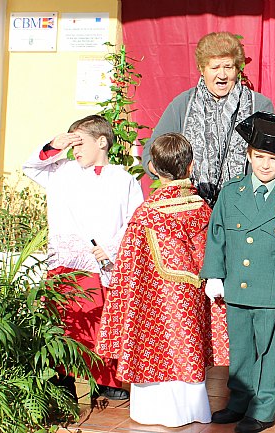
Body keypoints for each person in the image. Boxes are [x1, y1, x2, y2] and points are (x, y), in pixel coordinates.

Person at [96, 133, 228, 427]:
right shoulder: (202, 208)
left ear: (153, 167)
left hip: (152, 298)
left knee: (154, 345)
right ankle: (193, 409)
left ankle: (152, 411)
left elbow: (128, 267)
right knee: (187, 346)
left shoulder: (146, 214)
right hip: (192, 295)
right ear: (191, 166)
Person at [201, 112, 275, 433]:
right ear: (248, 155)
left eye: (274, 158)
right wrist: (214, 274)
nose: (265, 165)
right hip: (236, 286)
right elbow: (217, 234)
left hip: (270, 289)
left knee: (268, 351)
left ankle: (263, 408)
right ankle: (239, 402)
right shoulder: (231, 191)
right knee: (241, 349)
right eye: (259, 156)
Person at [22, 114, 144, 400]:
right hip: (67, 261)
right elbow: (30, 166)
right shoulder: (61, 171)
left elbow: (134, 220)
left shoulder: (124, 179)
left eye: (80, 142)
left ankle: (107, 381)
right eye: (72, 143)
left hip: (103, 262)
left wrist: (112, 248)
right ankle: (61, 379)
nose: (75, 150)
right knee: (65, 322)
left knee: (102, 322)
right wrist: (55, 145)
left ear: (102, 142)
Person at [141, 31, 274, 207]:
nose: (222, 75)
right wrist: (172, 174)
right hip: (192, 209)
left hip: (245, 210)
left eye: (228, 67)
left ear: (237, 69)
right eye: (215, 67)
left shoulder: (259, 105)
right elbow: (149, 157)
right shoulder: (183, 104)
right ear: (202, 69)